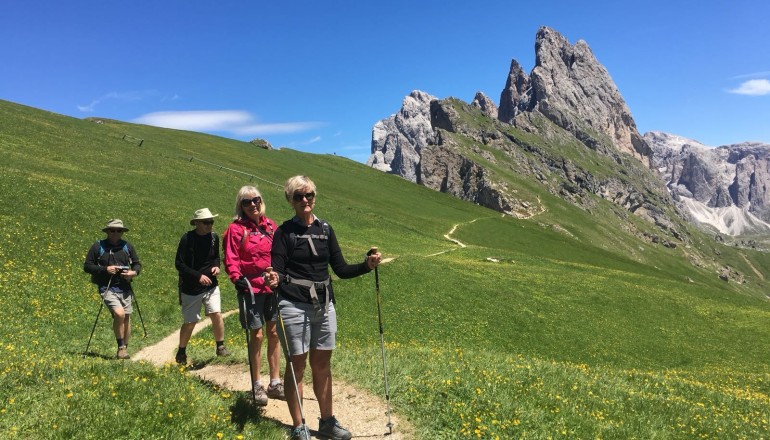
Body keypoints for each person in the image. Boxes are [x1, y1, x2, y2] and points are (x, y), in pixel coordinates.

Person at [271, 175, 381, 440]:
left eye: (308, 195)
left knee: (322, 365)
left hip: (324, 306)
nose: (305, 200)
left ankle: (327, 421)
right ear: (291, 200)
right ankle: (299, 426)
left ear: (314, 197)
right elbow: (277, 268)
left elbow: (340, 269)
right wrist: (273, 277)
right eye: (298, 196)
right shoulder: (284, 232)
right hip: (294, 306)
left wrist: (367, 265)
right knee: (296, 365)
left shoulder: (326, 229)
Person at [223, 185, 284, 405]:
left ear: (261, 201)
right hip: (250, 287)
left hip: (271, 285)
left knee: (274, 332)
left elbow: (279, 253)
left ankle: (275, 382)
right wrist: (236, 277)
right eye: (247, 202)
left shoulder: (270, 226)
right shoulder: (236, 229)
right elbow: (231, 256)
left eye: (256, 200)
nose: (253, 205)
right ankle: (257, 384)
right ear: (241, 206)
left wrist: (280, 274)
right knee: (257, 335)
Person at [174, 208, 230, 365]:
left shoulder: (214, 238)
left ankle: (220, 346)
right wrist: (198, 276)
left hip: (211, 286)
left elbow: (215, 257)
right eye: (206, 222)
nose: (210, 225)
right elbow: (179, 264)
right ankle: (181, 351)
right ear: (197, 223)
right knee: (190, 322)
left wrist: (217, 266)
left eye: (211, 222)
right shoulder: (187, 239)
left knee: (216, 313)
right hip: (191, 288)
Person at [83, 219, 142, 360]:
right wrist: (105, 269)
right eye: (112, 230)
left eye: (119, 231)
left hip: (125, 287)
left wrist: (132, 273)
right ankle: (121, 347)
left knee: (126, 317)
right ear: (107, 231)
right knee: (120, 314)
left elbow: (137, 264)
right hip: (107, 287)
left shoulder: (127, 246)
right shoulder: (98, 246)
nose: (115, 233)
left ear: (122, 232)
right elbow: (87, 266)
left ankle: (124, 350)